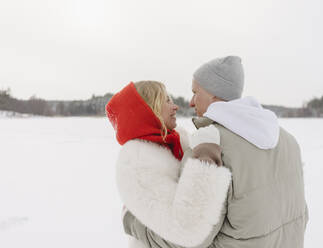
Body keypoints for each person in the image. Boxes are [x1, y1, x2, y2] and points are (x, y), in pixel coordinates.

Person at [122, 56, 309, 248]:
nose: (191, 102)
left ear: (213, 94)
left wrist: (133, 222)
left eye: (196, 92)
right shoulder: (286, 140)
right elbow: (300, 216)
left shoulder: (209, 145)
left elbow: (187, 239)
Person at [105, 81, 232, 248]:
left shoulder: (177, 140)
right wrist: (206, 159)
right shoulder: (138, 161)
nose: (175, 107)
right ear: (148, 110)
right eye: (167, 101)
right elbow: (186, 228)